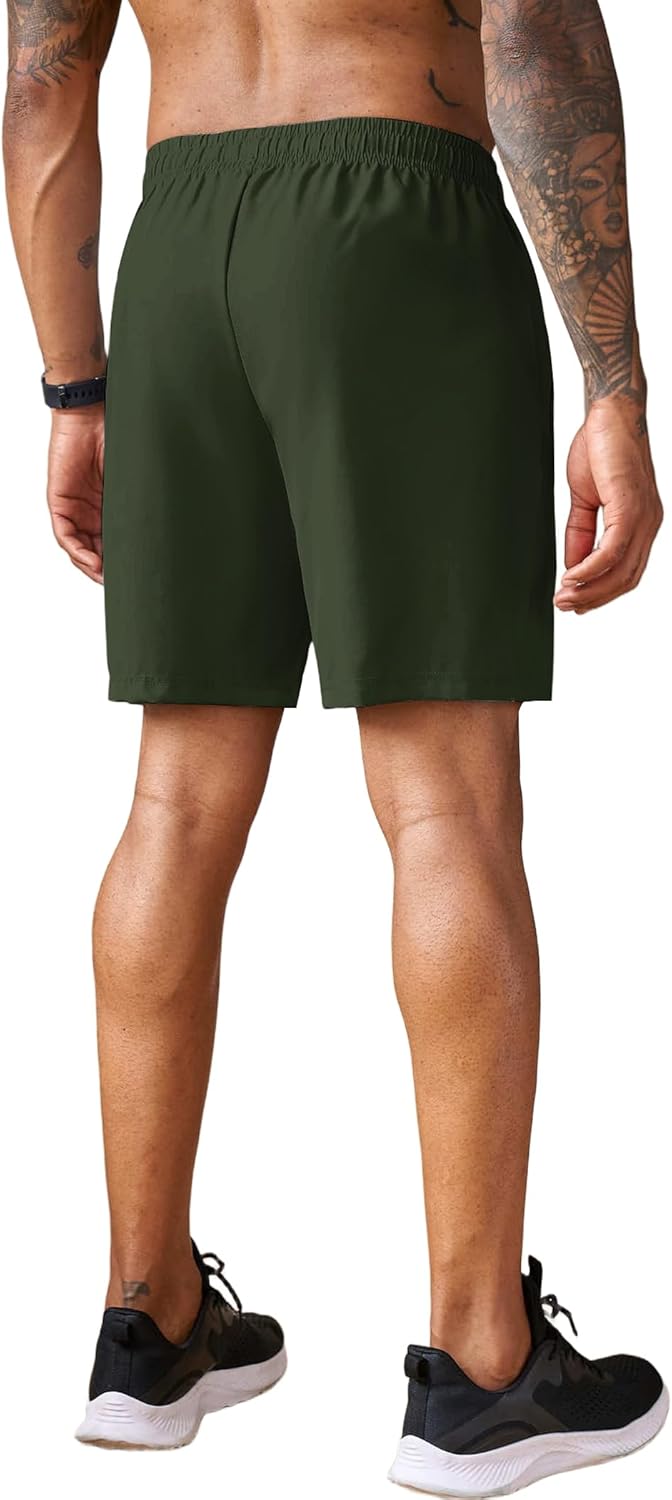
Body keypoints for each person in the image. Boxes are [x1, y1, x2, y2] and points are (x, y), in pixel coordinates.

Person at [3, 0, 666, 1489]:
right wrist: (615, 388)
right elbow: (534, 35)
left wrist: (75, 386)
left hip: (182, 248)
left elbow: (42, 90)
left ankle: (144, 1320)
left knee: (174, 801)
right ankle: (482, 1366)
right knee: (445, 806)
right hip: (395, 220)